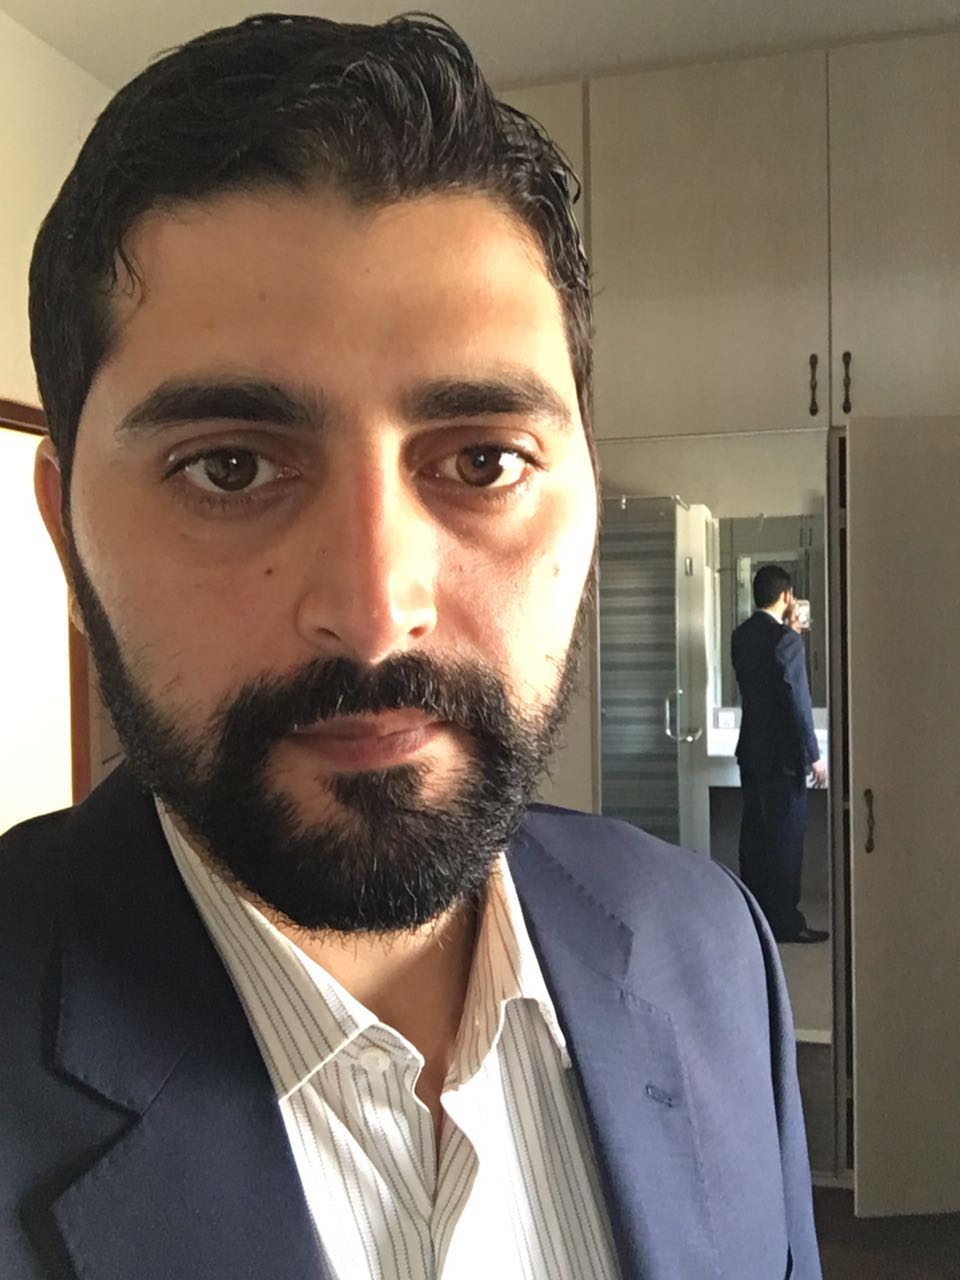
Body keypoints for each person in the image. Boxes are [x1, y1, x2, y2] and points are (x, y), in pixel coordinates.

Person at [0, 15, 821, 1279]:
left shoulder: (709, 947)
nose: (377, 613)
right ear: (69, 535)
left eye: (483, 460)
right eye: (230, 468)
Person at [732, 564, 829, 944]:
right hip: (784, 759)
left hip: (751, 752)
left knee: (755, 840)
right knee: (786, 843)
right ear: (787, 596)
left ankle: (756, 921)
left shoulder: (740, 636)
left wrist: (790, 635)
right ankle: (787, 924)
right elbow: (796, 701)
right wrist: (813, 755)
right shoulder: (787, 641)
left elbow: (760, 687)